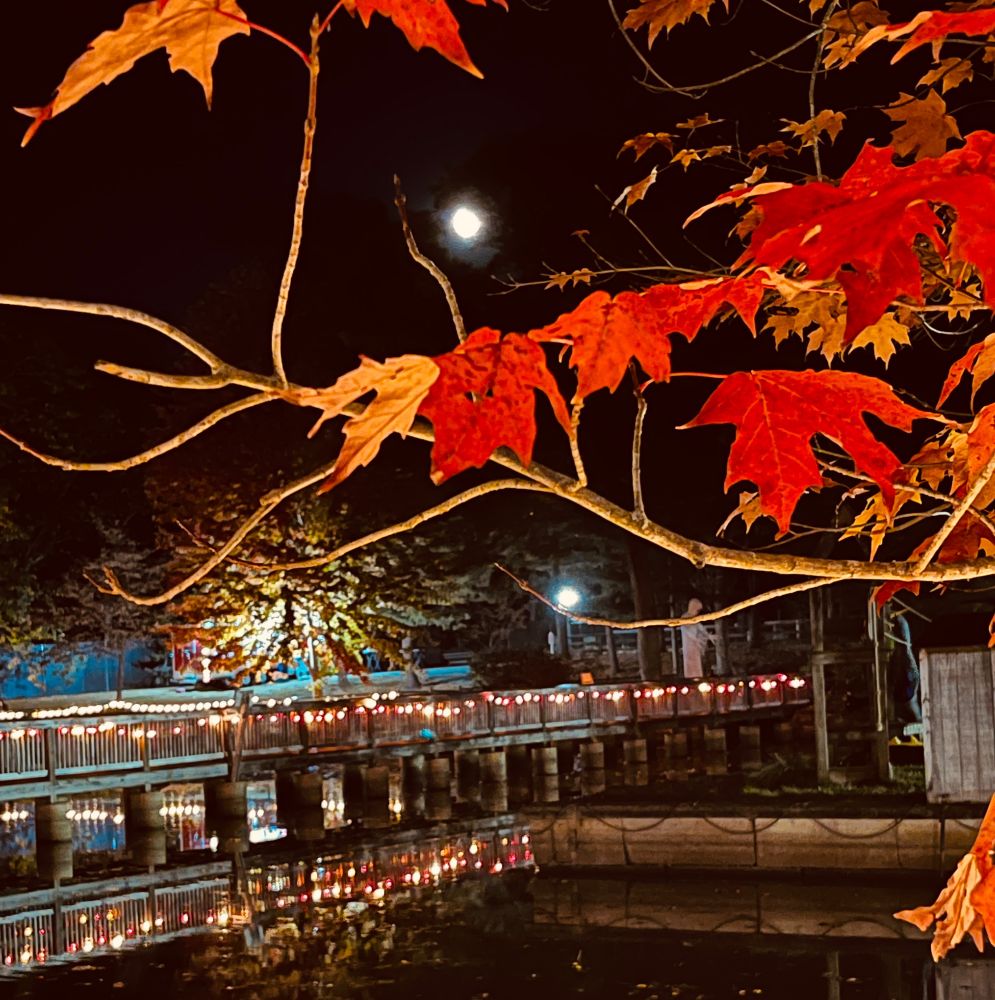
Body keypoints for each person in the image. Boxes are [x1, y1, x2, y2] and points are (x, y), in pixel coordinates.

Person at [680, 597, 714, 677]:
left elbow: (700, 628)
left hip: (695, 646)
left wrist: (708, 636)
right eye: (697, 610)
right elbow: (688, 632)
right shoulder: (685, 617)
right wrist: (698, 638)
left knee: (697, 664)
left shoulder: (695, 618)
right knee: (690, 664)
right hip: (689, 645)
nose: (698, 612)